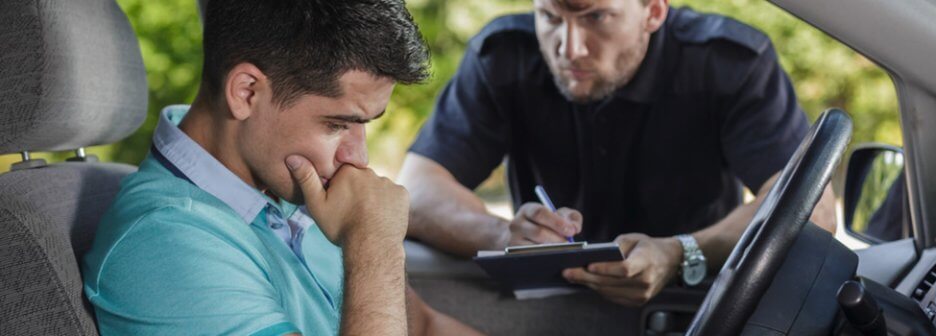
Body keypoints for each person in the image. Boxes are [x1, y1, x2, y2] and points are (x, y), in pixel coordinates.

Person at [398, 0, 837, 307]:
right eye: (550, 15)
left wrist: (680, 252)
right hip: (551, 307)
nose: (569, 47)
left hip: (693, 306)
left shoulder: (729, 63)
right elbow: (417, 190)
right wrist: (503, 237)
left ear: (654, 11)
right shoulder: (503, 56)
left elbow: (812, 210)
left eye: (597, 16)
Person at [82, 0, 481, 334]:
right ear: (246, 92)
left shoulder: (284, 181)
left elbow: (424, 326)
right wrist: (373, 243)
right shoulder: (163, 242)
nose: (358, 159)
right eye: (338, 125)